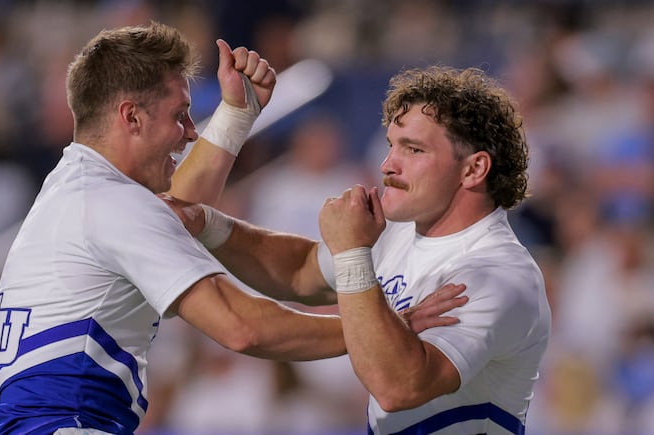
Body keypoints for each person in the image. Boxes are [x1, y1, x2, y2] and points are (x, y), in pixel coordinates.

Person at [0, 22, 463, 435]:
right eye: (179, 115)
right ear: (131, 116)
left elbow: (174, 213)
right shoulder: (112, 203)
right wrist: (378, 330)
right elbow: (242, 328)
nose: (191, 131)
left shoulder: (77, 186)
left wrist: (237, 115)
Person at [168, 66, 551, 434]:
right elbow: (300, 271)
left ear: (474, 169)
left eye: (413, 149)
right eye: (391, 146)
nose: (387, 165)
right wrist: (208, 224)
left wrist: (352, 252)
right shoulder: (399, 235)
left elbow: (399, 387)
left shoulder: (497, 274)